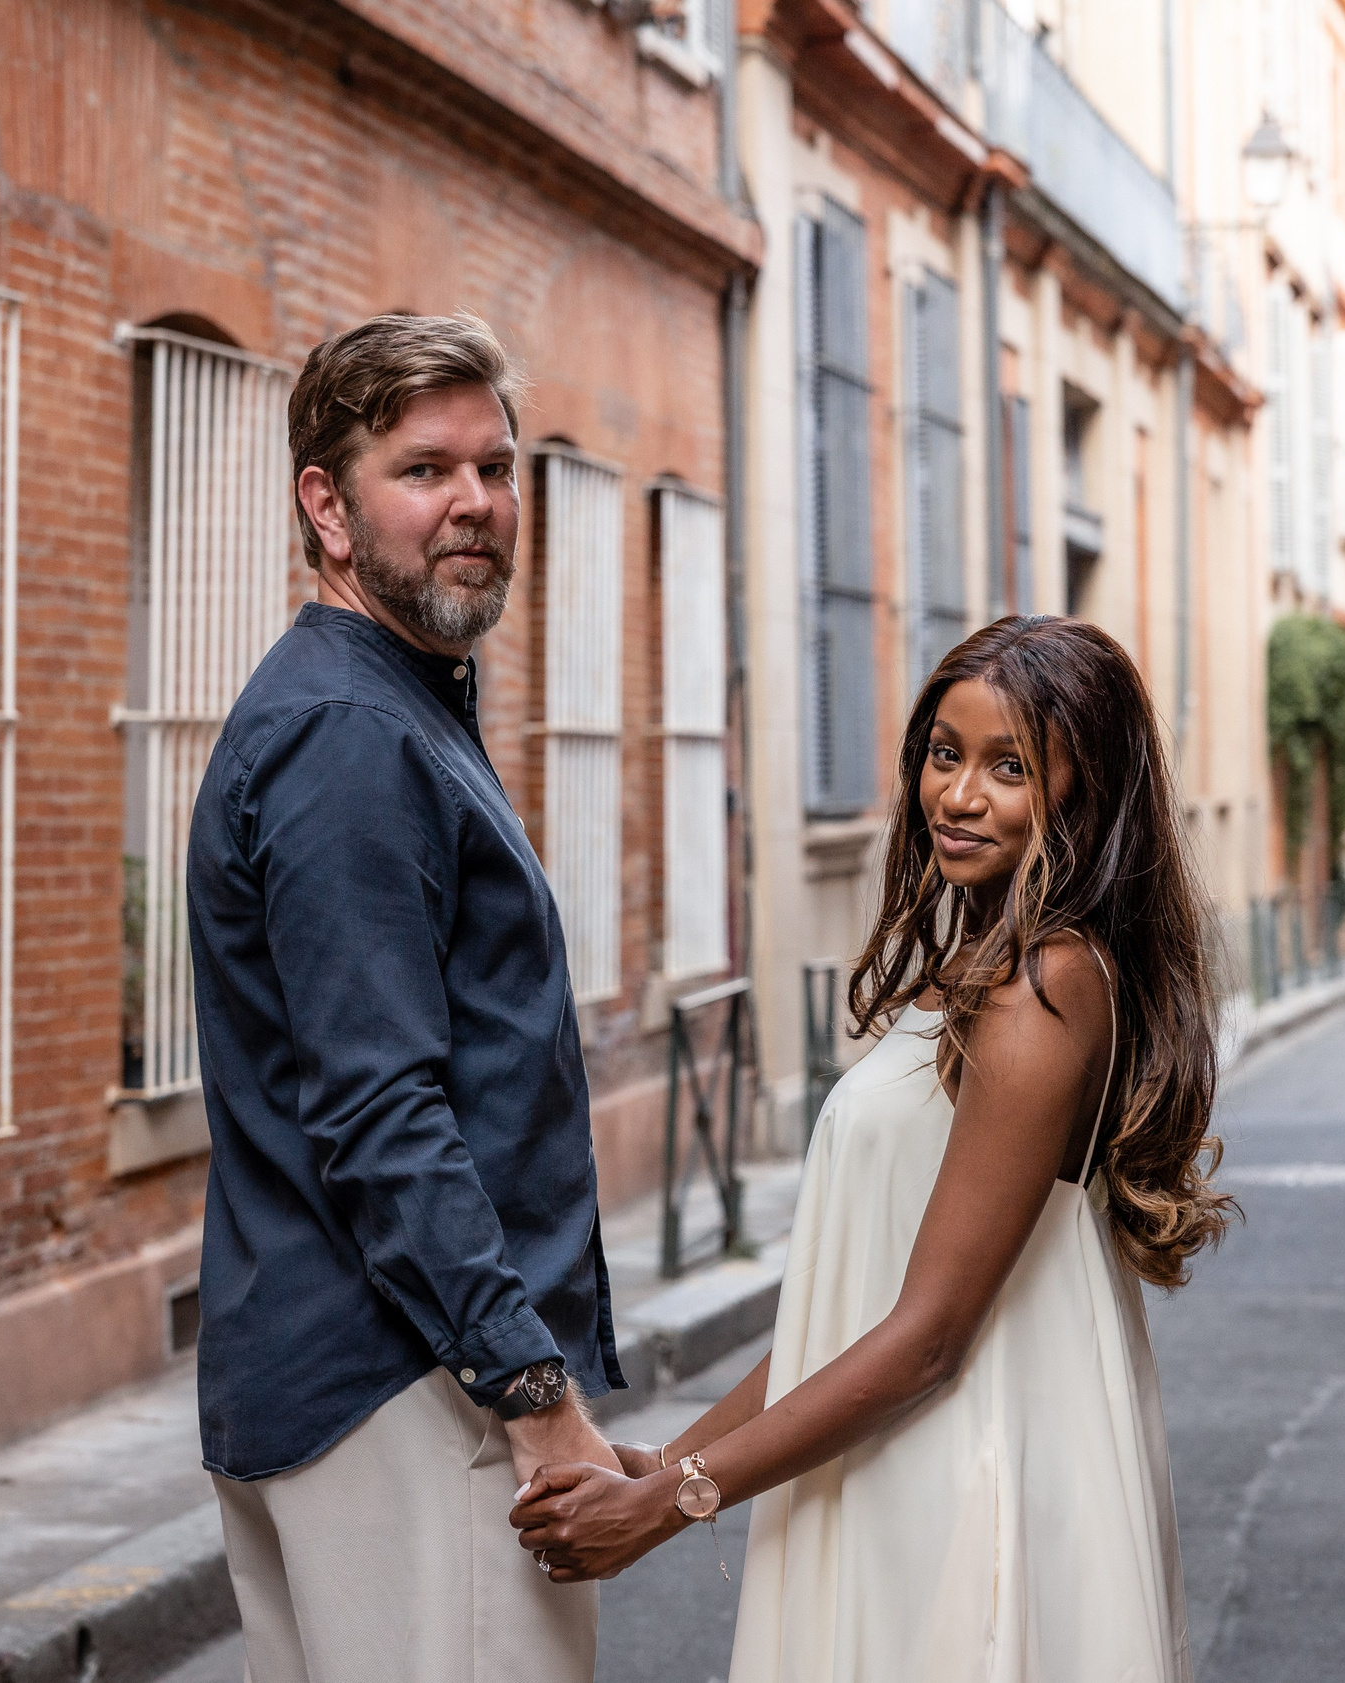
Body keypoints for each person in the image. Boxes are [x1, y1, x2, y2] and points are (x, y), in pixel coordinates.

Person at [515, 615, 1230, 1682]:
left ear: (1085, 792)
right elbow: (849, 1307)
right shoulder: (988, 969)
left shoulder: (1046, 985)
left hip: (963, 1480)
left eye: (1010, 768)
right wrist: (662, 1460)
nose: (959, 796)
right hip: (906, 1466)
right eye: (945, 754)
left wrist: (673, 1501)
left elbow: (932, 1334)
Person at [185, 312, 622, 1683]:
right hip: (410, 1392)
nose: (479, 504)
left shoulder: (388, 701)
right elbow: (380, 1108)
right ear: (327, 503)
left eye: (498, 468)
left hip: (356, 1374)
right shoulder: (352, 734)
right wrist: (530, 1391)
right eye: (426, 470)